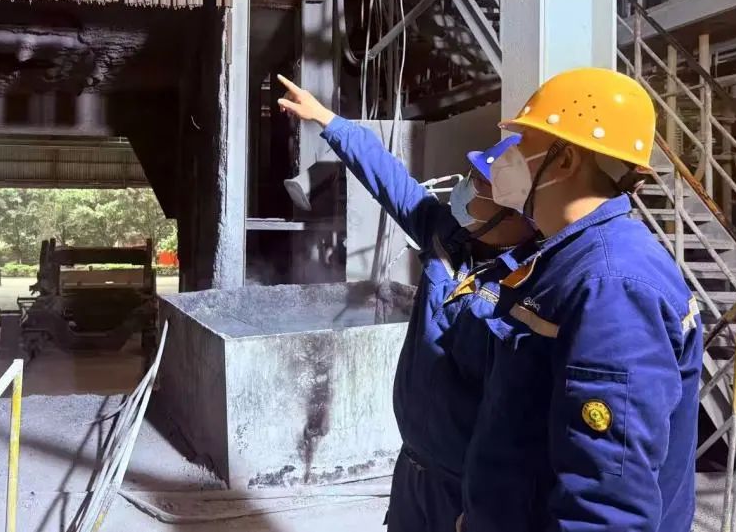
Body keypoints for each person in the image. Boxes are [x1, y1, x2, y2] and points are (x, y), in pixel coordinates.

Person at [276, 74, 535, 532]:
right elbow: (389, 178)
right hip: (414, 470)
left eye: (478, 183)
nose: (464, 189)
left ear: (510, 210)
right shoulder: (447, 236)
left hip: (467, 489)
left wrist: (492, 506)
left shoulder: (531, 289)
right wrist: (327, 120)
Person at [459, 68, 702, 532]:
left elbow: (606, 507)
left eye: (522, 145)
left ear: (565, 159)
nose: (508, 159)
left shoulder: (612, 285)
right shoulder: (570, 259)